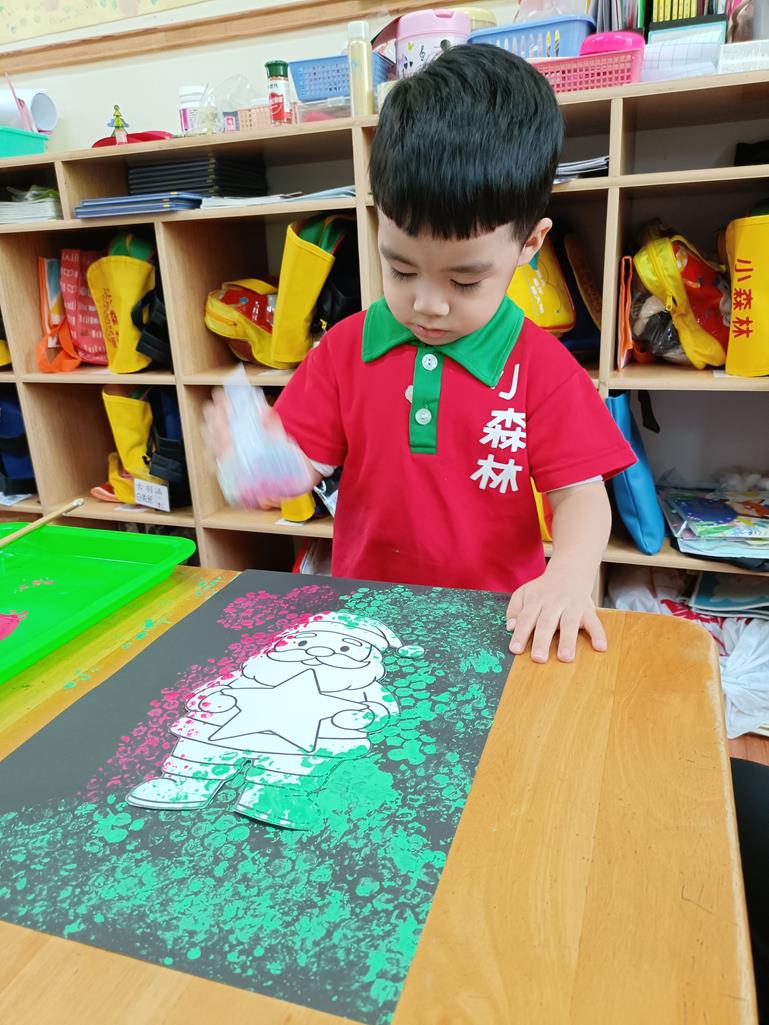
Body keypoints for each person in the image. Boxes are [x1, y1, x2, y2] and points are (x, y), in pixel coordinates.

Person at [208, 45, 634, 662]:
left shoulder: (541, 368)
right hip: (366, 625)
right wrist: (259, 464)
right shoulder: (345, 349)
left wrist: (567, 577)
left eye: (465, 281)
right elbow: (305, 465)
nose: (427, 304)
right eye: (401, 270)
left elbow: (581, 496)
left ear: (529, 244)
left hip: (496, 629)